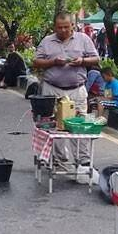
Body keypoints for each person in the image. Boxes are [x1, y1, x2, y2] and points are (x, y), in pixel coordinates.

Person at [33, 12, 100, 166]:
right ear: (54, 27)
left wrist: (82, 61)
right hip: (53, 88)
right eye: (59, 27)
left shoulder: (83, 39)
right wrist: (53, 62)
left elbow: (96, 59)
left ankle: (82, 159)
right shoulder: (47, 41)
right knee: (54, 124)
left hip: (76, 89)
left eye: (66, 27)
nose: (63, 30)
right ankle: (59, 158)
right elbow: (36, 61)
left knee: (80, 123)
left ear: (72, 25)